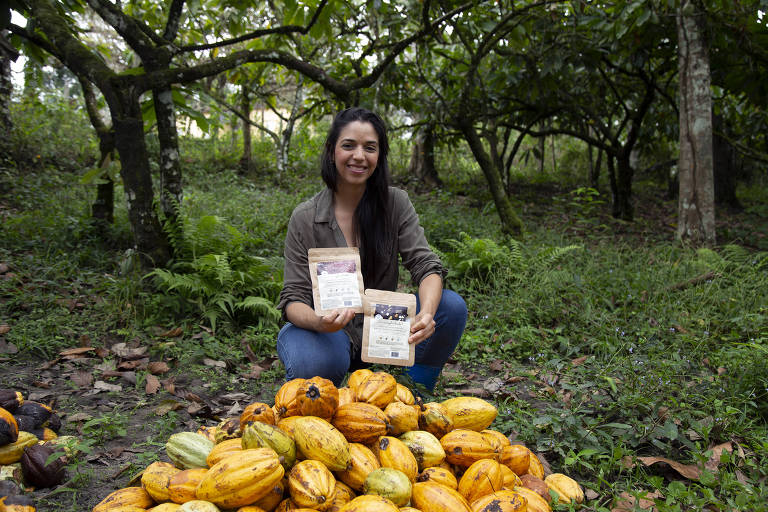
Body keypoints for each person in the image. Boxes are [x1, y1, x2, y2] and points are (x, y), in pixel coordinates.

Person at [276, 107, 467, 391]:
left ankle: (416, 388)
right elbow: (292, 299)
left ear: (380, 156)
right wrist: (319, 321)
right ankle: (329, 380)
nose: (359, 156)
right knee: (311, 362)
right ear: (331, 151)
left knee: (450, 307)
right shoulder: (306, 218)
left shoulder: (395, 204)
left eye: (370, 148)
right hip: (328, 333)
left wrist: (426, 313)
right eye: (348, 145)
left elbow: (426, 265)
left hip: (382, 327)